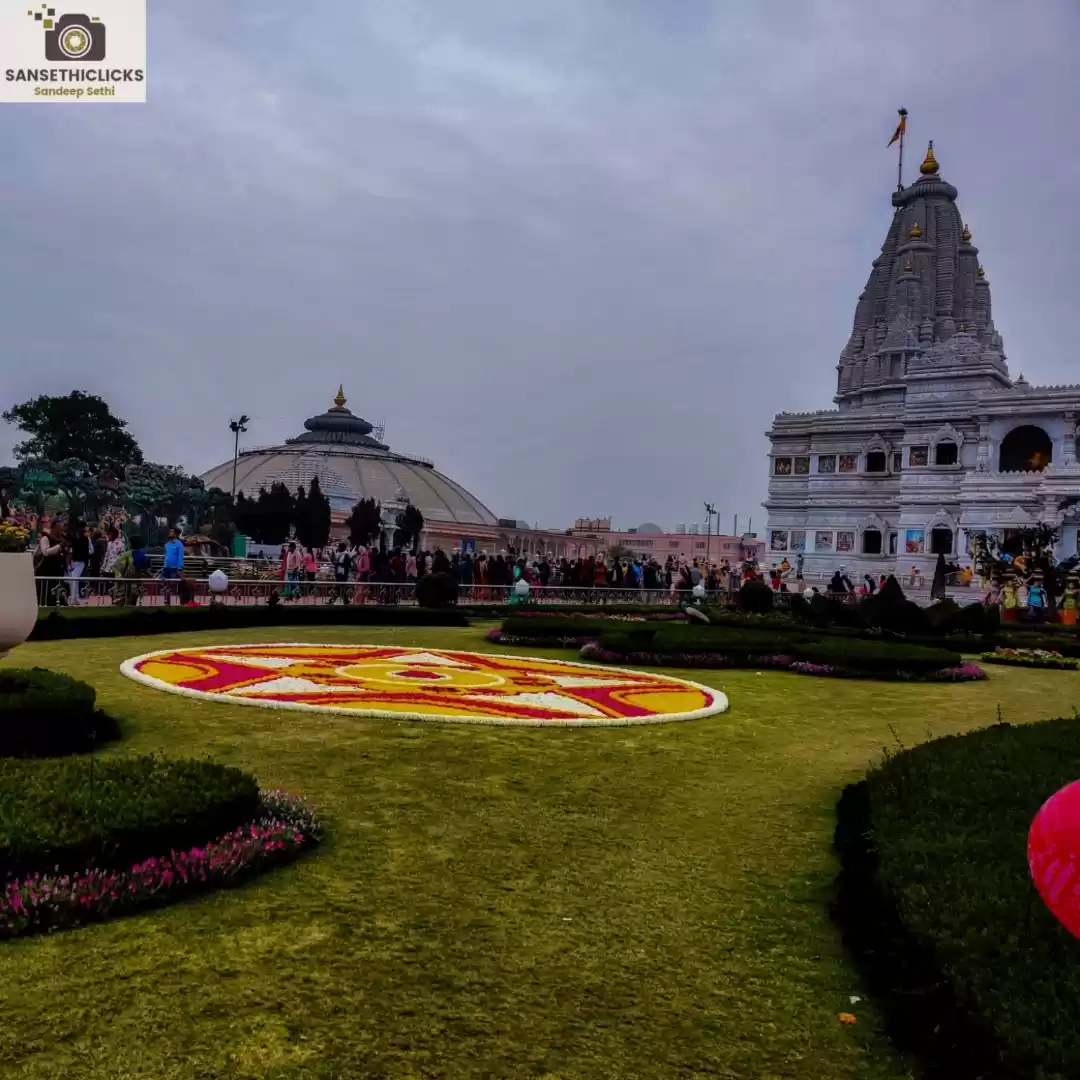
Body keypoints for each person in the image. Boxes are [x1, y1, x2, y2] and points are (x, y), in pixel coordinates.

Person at [163, 528, 185, 605]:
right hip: (166, 568)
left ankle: (177, 603)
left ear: (175, 534)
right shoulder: (167, 544)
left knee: (174, 586)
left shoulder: (179, 544)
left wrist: (179, 568)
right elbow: (166, 556)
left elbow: (180, 557)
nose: (169, 532)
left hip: (174, 568)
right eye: (169, 531)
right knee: (166, 585)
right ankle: (167, 601)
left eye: (171, 531)